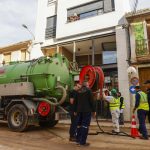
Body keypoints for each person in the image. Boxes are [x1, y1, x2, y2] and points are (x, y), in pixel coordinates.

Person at [74, 81, 96, 146]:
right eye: (88, 85)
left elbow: (75, 101)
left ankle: (77, 141)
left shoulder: (78, 91)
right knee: (85, 126)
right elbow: (91, 101)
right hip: (86, 111)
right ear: (87, 85)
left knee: (78, 125)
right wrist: (94, 110)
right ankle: (82, 142)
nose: (89, 86)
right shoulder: (89, 90)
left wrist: (75, 110)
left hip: (79, 111)